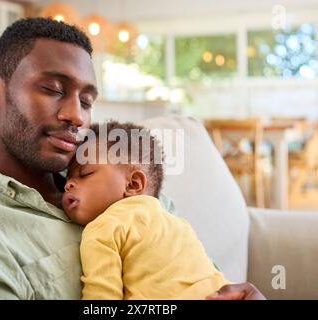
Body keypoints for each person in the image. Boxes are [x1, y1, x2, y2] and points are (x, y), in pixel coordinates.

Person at [0, 17, 265, 300]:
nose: (77, 117)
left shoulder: (117, 179)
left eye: (86, 100)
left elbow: (196, 274)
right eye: (53, 89)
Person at [63, 121, 231, 299]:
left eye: (85, 174)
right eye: (67, 180)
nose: (68, 185)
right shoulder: (180, 224)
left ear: (133, 184)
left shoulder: (103, 228)